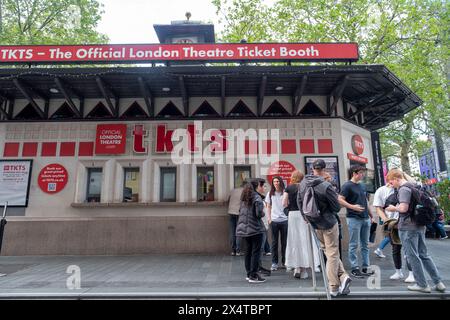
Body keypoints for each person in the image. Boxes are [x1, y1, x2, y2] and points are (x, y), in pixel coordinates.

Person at [385, 168, 446, 293]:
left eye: (391, 182)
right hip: (419, 225)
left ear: (396, 179)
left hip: (408, 227)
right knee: (424, 254)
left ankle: (422, 285)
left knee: (412, 256)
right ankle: (438, 282)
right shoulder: (413, 186)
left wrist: (392, 208)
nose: (391, 185)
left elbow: (403, 208)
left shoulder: (403, 189)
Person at [298, 159, 351, 297]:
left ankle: (344, 277)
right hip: (328, 223)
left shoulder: (303, 183)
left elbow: (299, 202)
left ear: (312, 168)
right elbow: (336, 207)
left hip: (314, 223)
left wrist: (306, 218)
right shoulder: (326, 185)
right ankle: (334, 286)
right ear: (324, 168)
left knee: (328, 252)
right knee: (332, 253)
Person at [373, 182, 414, 282]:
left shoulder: (404, 188)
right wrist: (387, 221)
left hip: (405, 223)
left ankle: (412, 273)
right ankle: (398, 272)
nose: (392, 182)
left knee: (408, 250)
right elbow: (378, 208)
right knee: (395, 248)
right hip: (393, 224)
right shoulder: (382, 190)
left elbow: (414, 183)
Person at [338, 164, 375, 278]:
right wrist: (352, 207)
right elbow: (339, 199)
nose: (362, 175)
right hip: (353, 218)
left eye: (363, 173)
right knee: (354, 244)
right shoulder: (347, 186)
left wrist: (371, 215)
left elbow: (365, 201)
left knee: (365, 244)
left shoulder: (362, 186)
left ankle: (365, 267)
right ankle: (354, 268)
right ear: (354, 173)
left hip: (365, 218)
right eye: (361, 173)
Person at [284, 170, 320, 279]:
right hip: (304, 215)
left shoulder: (289, 188)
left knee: (294, 240)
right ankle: (305, 269)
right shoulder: (305, 187)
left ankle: (297, 267)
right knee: (305, 240)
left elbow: (284, 203)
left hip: (292, 215)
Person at [236, 178, 267, 283]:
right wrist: (263, 213)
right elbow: (259, 213)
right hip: (255, 228)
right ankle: (254, 275)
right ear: (257, 186)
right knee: (256, 252)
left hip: (244, 229)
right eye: (261, 185)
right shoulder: (257, 197)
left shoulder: (245, 197)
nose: (262, 187)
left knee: (248, 251)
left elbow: (240, 211)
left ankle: (249, 274)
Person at [265, 176, 288, 272]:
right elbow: (268, 206)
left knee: (284, 242)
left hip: (284, 220)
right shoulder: (270, 194)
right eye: (274, 181)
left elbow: (288, 205)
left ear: (281, 182)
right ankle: (274, 263)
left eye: (277, 181)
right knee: (274, 243)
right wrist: (269, 218)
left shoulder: (285, 193)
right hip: (274, 221)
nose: (276, 183)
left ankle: (284, 262)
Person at [323, 172, 343, 260]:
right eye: (327, 178)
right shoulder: (327, 187)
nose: (329, 180)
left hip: (331, 217)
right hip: (329, 218)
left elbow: (337, 205)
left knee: (333, 244)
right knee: (331, 245)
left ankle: (336, 263)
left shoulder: (331, 186)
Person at [227, 182, 244, 256]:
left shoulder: (233, 190)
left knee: (232, 231)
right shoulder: (244, 191)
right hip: (239, 213)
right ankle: (238, 251)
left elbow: (228, 200)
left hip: (231, 212)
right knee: (239, 232)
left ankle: (233, 250)